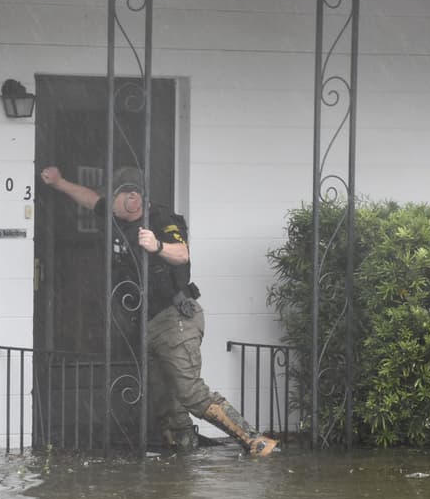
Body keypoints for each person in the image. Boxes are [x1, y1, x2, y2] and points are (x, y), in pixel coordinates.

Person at [39, 164, 278, 456]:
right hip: (147, 322)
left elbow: (182, 254)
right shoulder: (117, 216)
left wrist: (157, 245)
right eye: (113, 198)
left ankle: (255, 441)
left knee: (190, 391)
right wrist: (59, 182)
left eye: (116, 198)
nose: (111, 204)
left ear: (136, 197)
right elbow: (91, 199)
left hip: (175, 318)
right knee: (167, 402)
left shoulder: (161, 219)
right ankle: (183, 455)